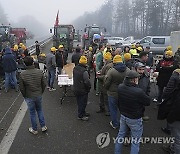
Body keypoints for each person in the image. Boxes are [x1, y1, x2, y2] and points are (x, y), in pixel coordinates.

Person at [115, 70, 151, 154]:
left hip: (123, 115)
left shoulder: (120, 87)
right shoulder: (138, 91)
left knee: (120, 136)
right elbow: (147, 102)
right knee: (135, 141)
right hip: (135, 118)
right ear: (134, 80)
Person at [19, 56, 47, 135]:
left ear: (25, 64)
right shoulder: (39, 72)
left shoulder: (22, 74)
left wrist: (25, 95)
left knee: (32, 113)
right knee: (40, 110)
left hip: (29, 96)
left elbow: (21, 88)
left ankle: (34, 129)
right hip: (38, 94)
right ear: (33, 62)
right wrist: (41, 91)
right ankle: (43, 126)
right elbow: (44, 84)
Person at [104, 55, 129, 129]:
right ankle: (124, 124)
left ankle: (115, 124)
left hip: (113, 93)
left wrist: (106, 89)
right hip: (124, 93)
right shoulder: (128, 70)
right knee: (123, 110)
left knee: (113, 109)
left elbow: (107, 82)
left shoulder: (111, 71)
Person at [160, 69, 180, 154]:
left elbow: (176, 107)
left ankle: (175, 150)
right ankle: (172, 148)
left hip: (176, 117)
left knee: (177, 139)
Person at [73, 56, 91, 121]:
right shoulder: (84, 71)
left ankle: (83, 112)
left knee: (79, 102)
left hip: (76, 88)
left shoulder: (75, 68)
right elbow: (87, 81)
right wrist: (89, 88)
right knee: (83, 103)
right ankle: (81, 115)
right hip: (82, 90)